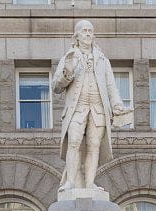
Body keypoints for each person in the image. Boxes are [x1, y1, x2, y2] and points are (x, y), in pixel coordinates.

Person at [52, 20, 133, 193]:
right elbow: (56, 87)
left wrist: (117, 104)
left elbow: (111, 86)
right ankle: (71, 183)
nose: (88, 34)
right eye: (84, 31)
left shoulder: (103, 60)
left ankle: (89, 184)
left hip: (98, 109)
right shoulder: (69, 57)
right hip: (77, 108)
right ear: (77, 36)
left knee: (94, 145)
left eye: (90, 31)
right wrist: (68, 72)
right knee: (74, 143)